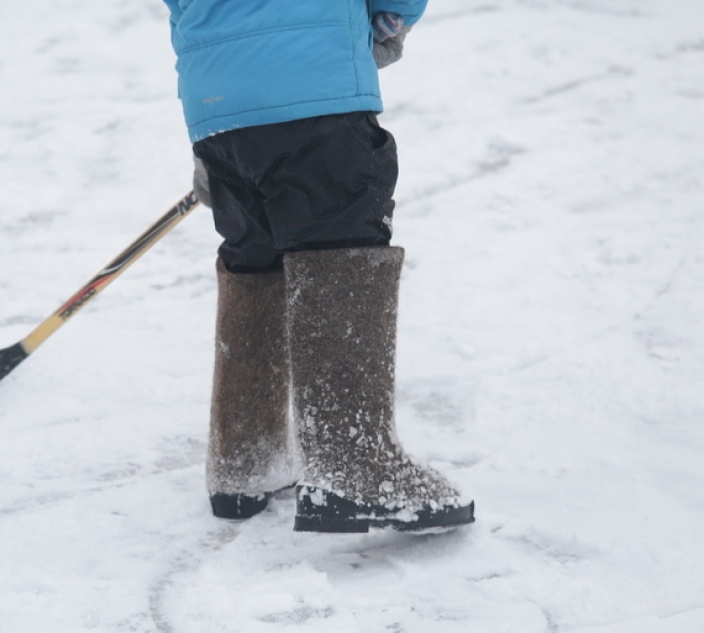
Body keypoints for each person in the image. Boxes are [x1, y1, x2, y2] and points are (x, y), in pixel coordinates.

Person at [162, 0, 475, 533]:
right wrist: (388, 22)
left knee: (256, 253)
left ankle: (245, 460)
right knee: (340, 240)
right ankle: (352, 461)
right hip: (312, 83)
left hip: (213, 99)